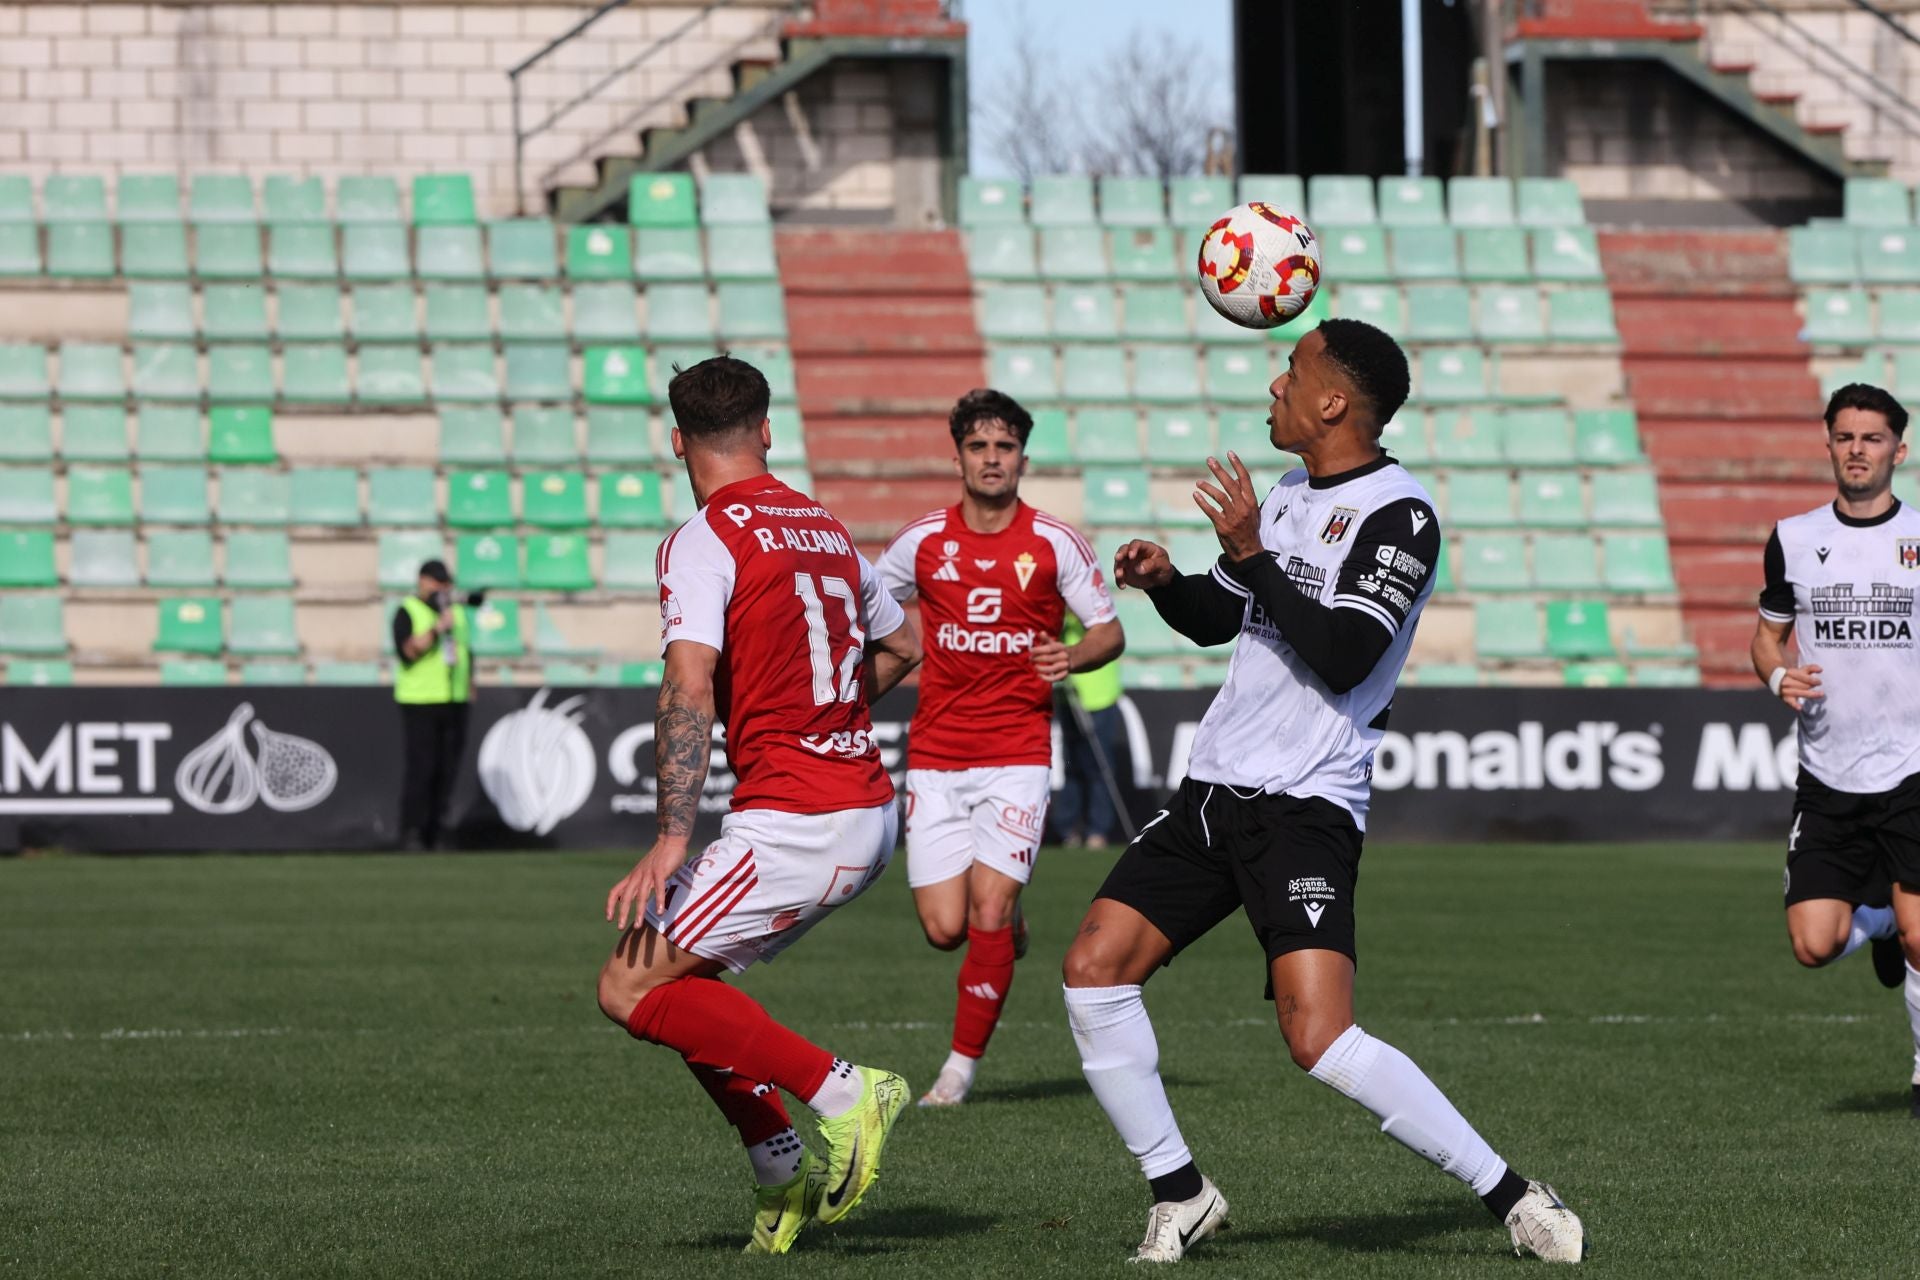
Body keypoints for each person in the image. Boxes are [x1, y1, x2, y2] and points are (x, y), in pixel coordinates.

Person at [1059, 319, 1586, 1264]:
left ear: (1335, 402)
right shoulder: (1292, 491)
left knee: (1319, 1038)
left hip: (1305, 805)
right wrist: (1169, 579)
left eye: (1293, 372)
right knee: (1094, 970)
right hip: (1214, 790)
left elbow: (1346, 653)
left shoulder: (1402, 516)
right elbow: (1225, 617)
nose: (1276, 384)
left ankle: (1511, 1193)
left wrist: (1256, 554)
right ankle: (1181, 1192)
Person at [596, 356, 925, 1255]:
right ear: (768, 432)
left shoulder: (702, 538)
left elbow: (688, 683)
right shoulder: (822, 528)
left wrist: (672, 835)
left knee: (627, 987)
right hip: (861, 808)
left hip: (797, 818)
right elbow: (905, 643)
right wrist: (830, 715)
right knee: (682, 988)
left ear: (676, 443)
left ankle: (846, 1092)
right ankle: (779, 1171)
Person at [876, 388, 1123, 1108]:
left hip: (1017, 753)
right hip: (936, 756)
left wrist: (1072, 660)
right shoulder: (923, 542)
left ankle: (957, 1071)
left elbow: (1107, 631)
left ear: (1022, 456)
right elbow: (866, 605)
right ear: (957, 456)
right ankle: (1006, 914)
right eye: (979, 447)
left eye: (1005, 447)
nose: (992, 459)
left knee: (983, 913)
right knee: (944, 929)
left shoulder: (1053, 542)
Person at [1753, 381, 1920, 1119]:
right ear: (1829, 443)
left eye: (1873, 438)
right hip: (1827, 772)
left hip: (1912, 768)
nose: (1858, 450)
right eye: (1846, 437)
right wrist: (1779, 675)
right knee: (1814, 944)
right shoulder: (1792, 537)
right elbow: (1766, 637)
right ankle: (1878, 923)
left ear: (1898, 449)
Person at [391, 558, 472, 850]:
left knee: (447, 770)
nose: (441, 587)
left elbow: (465, 652)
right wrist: (437, 629)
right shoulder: (407, 611)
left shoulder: (456, 613)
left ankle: (437, 831)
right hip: (420, 700)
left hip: (454, 699)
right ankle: (412, 831)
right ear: (422, 581)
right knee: (421, 769)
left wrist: (469, 687)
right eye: (436, 581)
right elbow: (408, 651)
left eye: (445, 582)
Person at [1053, 613, 1126, 849]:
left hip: (1098, 697)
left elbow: (1089, 620)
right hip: (1069, 694)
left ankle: (1098, 830)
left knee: (1099, 766)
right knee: (1072, 765)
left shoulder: (1091, 603)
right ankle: (1068, 829)